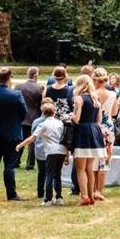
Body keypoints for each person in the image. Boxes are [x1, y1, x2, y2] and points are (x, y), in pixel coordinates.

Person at [0, 67, 28, 201]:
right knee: (9, 164)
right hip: (12, 133)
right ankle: (11, 194)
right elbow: (24, 113)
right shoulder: (16, 95)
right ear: (9, 77)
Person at [16, 102, 68, 206]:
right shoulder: (60, 123)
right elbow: (65, 138)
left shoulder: (43, 124)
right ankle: (59, 197)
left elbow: (33, 138)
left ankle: (48, 199)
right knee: (57, 175)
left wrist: (20, 145)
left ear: (43, 112)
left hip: (51, 151)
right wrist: (67, 154)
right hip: (62, 150)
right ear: (54, 112)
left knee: (49, 174)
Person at [72, 74, 106, 205]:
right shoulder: (95, 98)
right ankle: (91, 196)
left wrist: (70, 116)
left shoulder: (79, 98)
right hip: (94, 131)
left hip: (83, 132)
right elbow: (99, 120)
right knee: (89, 168)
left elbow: (77, 119)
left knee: (80, 168)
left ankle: (84, 196)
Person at [44, 65, 78, 195]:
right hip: (66, 121)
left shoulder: (48, 89)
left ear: (54, 75)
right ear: (66, 76)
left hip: (52, 120)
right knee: (66, 143)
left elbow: (44, 103)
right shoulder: (70, 89)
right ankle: (66, 158)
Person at [92, 67, 115, 197]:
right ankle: (100, 191)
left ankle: (94, 189)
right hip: (107, 126)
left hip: (95, 126)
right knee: (105, 158)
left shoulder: (92, 94)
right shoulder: (112, 94)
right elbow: (114, 112)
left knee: (94, 157)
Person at [16, 67, 43, 171]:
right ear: (35, 75)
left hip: (21, 118)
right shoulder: (39, 88)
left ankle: (16, 161)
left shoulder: (18, 87)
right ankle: (30, 164)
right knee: (32, 142)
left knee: (20, 140)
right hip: (34, 117)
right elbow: (41, 104)